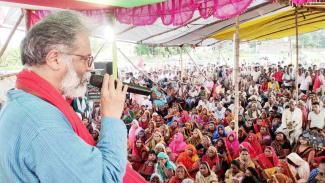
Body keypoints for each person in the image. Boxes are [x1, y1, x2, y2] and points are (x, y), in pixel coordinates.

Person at [0, 11, 128, 183]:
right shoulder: (43, 124)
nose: (89, 68)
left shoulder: (22, 101)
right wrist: (111, 119)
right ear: (55, 59)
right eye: (85, 59)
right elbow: (105, 179)